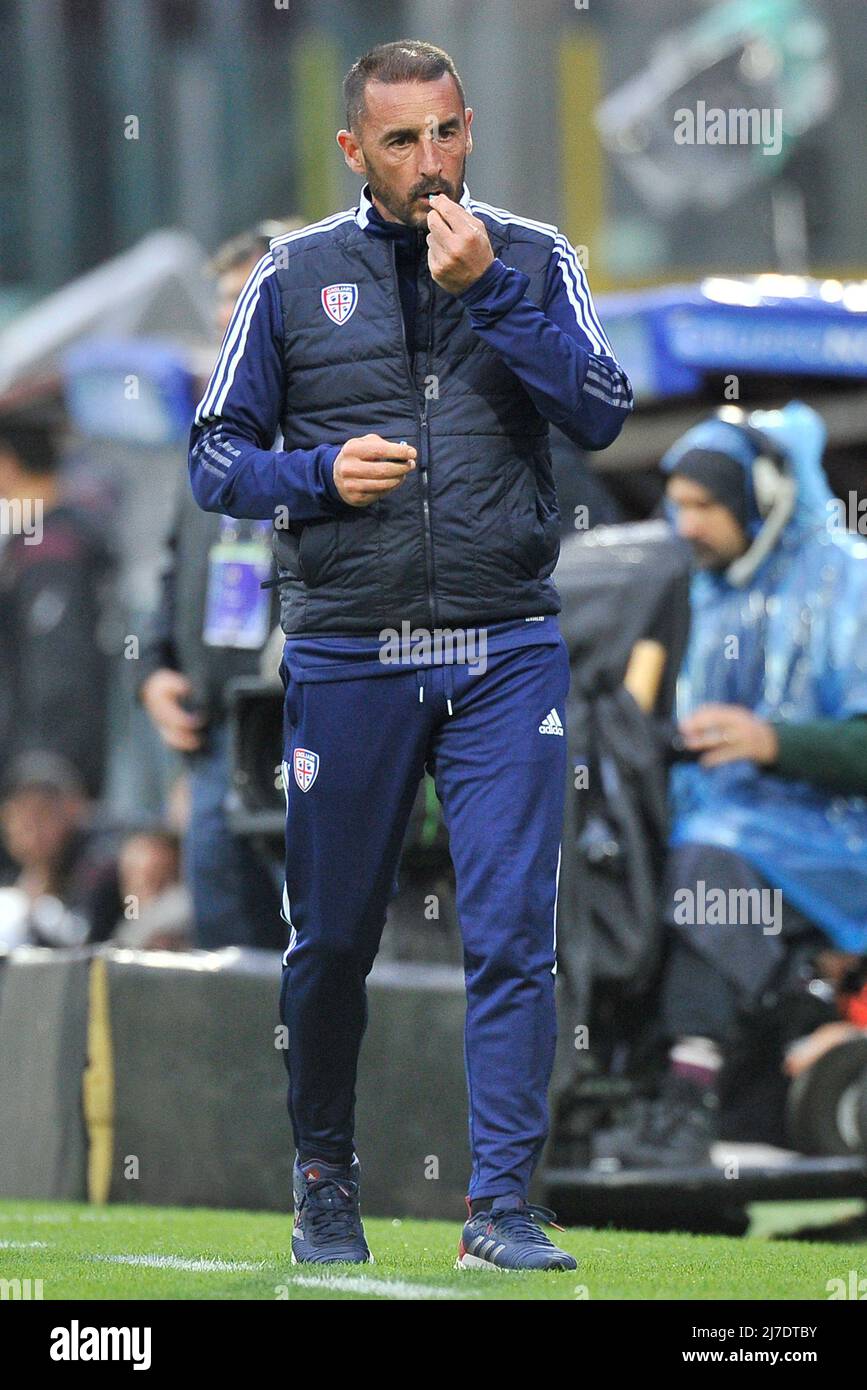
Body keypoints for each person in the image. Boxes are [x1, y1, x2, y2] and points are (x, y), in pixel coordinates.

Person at [189, 40, 632, 1270]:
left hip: (506, 643)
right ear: (353, 151)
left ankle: (499, 1206)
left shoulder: (535, 257)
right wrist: (316, 476)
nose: (430, 164)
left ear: (469, 126)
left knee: (511, 932)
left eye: (447, 134)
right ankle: (326, 1180)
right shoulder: (290, 277)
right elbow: (213, 459)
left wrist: (493, 292)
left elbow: (600, 405)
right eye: (401, 142)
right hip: (348, 649)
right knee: (331, 938)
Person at [593, 401, 867, 1169]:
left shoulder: (851, 583)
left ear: (766, 498)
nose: (683, 524)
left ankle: (687, 1100)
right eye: (676, 505)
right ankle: (646, 1086)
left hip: (835, 843)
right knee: (624, 857)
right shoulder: (701, 592)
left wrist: (774, 742)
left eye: (703, 506)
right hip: (730, 833)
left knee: (703, 861)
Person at [138, 223, 298, 950]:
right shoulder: (213, 430)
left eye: (248, 298)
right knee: (228, 956)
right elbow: (176, 573)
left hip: (305, 731)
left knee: (325, 947)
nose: (228, 320)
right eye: (222, 306)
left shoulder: (342, 420)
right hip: (214, 742)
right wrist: (155, 672)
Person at [0, 415, 112, 799]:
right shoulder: (54, 536)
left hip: (49, 768)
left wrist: (42, 763)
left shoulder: (49, 547)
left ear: (7, 463)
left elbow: (59, 667)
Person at [0, 752, 121, 948]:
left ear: (73, 810)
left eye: (42, 816)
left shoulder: (100, 867)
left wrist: (42, 912)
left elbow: (88, 936)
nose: (32, 832)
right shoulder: (14, 874)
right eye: (21, 820)